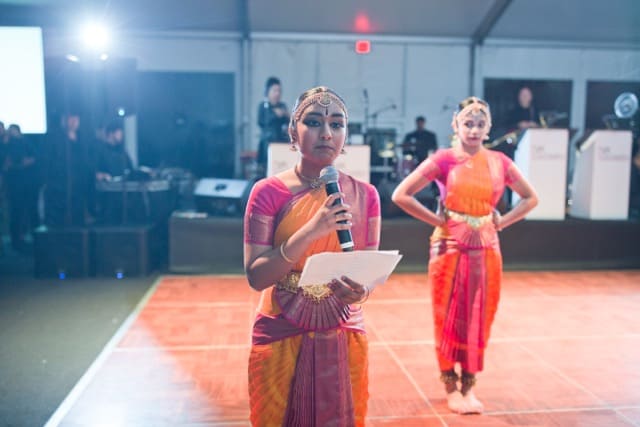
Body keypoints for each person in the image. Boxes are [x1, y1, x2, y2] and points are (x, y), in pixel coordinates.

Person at [244, 86, 381, 426]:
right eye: (314, 122)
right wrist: (311, 231)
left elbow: (368, 272)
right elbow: (257, 276)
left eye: (337, 124)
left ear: (345, 135)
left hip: (343, 327)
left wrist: (361, 291)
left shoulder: (366, 195)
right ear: (293, 131)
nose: (326, 133)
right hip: (280, 326)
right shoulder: (267, 193)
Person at [391, 97, 538, 414]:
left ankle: (469, 383)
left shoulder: (500, 162)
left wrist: (503, 221)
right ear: (455, 125)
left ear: (489, 128)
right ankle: (449, 384)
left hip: (487, 247)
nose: (473, 129)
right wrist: (437, 220)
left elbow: (530, 198)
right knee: (446, 314)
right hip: (449, 246)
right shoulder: (443, 159)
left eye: (480, 124)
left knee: (480, 313)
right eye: (468, 123)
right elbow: (401, 194)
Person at [44, 112, 93, 227]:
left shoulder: (82, 138)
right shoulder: (54, 138)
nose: (74, 121)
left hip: (79, 186)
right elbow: (49, 161)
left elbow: (86, 161)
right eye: (71, 118)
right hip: (59, 186)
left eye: (76, 118)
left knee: (77, 218)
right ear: (64, 119)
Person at [3, 124, 38, 251]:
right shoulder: (7, 145)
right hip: (14, 184)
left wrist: (27, 161)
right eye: (11, 132)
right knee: (16, 212)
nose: (13, 134)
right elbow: (6, 164)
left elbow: (35, 157)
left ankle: (33, 237)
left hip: (27, 182)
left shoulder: (25, 143)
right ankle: (17, 241)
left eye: (14, 131)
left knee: (29, 210)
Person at [257, 77, 290, 175]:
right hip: (267, 144)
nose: (277, 94)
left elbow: (289, 122)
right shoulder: (263, 106)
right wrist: (275, 115)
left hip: (281, 143)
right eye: (274, 91)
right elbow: (261, 122)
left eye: (279, 91)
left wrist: (286, 115)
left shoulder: (282, 106)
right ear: (267, 92)